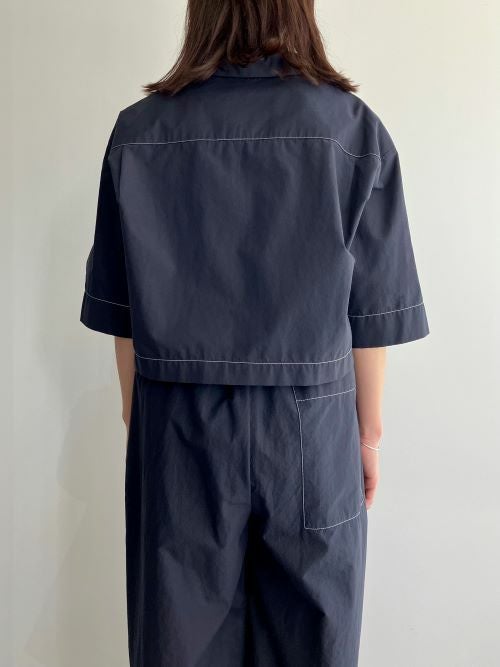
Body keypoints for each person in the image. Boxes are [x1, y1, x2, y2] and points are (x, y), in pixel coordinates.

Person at [80, 0, 429, 665]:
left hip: (177, 426)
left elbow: (123, 319)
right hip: (312, 431)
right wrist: (368, 436)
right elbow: (369, 319)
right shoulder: (351, 129)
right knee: (313, 644)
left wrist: (141, 423)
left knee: (177, 644)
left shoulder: (139, 133)